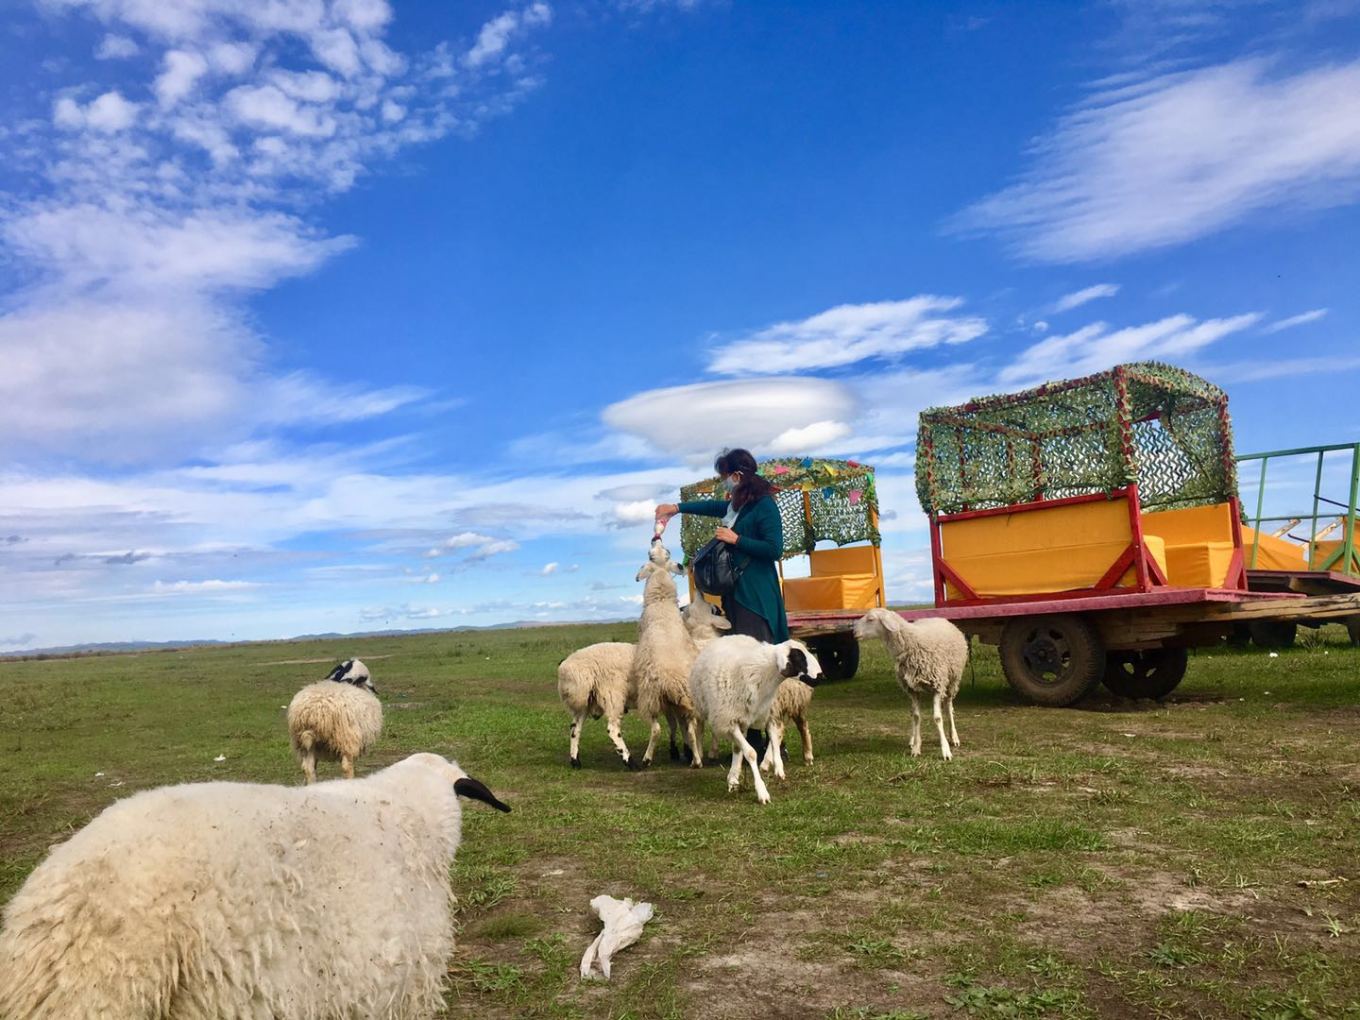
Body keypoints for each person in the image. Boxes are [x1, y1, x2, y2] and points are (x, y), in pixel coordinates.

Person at [655, 449, 789, 759]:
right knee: (742, 665)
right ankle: (749, 741)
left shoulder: (765, 506)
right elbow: (715, 506)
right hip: (737, 597)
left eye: (725, 477)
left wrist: (736, 540)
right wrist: (676, 508)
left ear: (738, 476)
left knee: (759, 666)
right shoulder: (738, 505)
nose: (724, 484)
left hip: (757, 599)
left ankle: (766, 743)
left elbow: (774, 548)